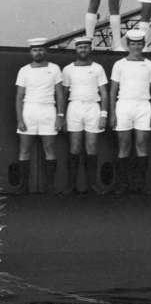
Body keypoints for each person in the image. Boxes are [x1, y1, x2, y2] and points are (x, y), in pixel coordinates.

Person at [110, 29, 151, 194]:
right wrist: (111, 113)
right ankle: (122, 184)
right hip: (123, 105)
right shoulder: (119, 64)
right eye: (133, 44)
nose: (136, 47)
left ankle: (141, 184)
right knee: (124, 145)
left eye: (139, 44)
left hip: (144, 106)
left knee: (141, 144)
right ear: (128, 45)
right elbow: (112, 91)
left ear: (143, 45)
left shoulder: (150, 64)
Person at [59, 36, 110, 194]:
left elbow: (104, 94)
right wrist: (61, 115)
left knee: (92, 147)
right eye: (80, 47)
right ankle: (72, 185)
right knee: (74, 147)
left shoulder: (98, 68)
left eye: (86, 47)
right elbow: (63, 94)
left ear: (90, 49)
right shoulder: (68, 69)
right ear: (76, 49)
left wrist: (103, 114)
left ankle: (92, 185)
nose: (83, 50)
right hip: (74, 108)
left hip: (93, 108)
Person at [14, 37, 63, 194]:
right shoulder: (24, 70)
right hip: (29, 111)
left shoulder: (55, 68)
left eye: (41, 49)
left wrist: (60, 115)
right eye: (35, 50)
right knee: (24, 149)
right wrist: (20, 119)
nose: (38, 52)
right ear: (30, 52)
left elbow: (60, 94)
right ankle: (23, 187)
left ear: (45, 51)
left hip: (48, 111)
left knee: (49, 148)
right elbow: (19, 97)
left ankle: (50, 187)